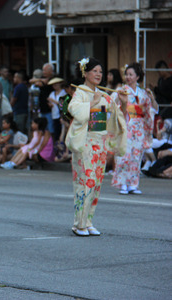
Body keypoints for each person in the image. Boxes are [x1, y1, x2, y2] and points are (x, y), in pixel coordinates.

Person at [66, 57, 128, 236]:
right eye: (94, 71)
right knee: (85, 183)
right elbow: (74, 110)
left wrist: (123, 102)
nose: (98, 75)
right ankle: (79, 223)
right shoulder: (80, 92)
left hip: (99, 144)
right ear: (85, 73)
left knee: (96, 184)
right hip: (85, 143)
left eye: (100, 72)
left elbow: (118, 117)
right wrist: (93, 102)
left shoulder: (104, 95)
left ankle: (88, 220)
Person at [112, 62, 154, 195]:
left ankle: (133, 184)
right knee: (124, 154)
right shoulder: (121, 90)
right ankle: (123, 183)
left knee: (136, 156)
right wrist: (120, 101)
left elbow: (150, 110)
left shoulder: (143, 93)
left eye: (131, 74)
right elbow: (113, 105)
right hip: (126, 124)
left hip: (139, 126)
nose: (128, 77)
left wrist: (152, 99)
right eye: (127, 74)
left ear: (137, 77)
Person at [30, 63, 55, 133]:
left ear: (50, 71)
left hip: (50, 109)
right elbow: (31, 81)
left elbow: (44, 83)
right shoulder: (42, 78)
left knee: (50, 129)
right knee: (43, 129)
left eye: (45, 70)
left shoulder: (53, 79)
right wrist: (41, 80)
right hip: (42, 108)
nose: (43, 72)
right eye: (43, 70)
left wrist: (41, 81)